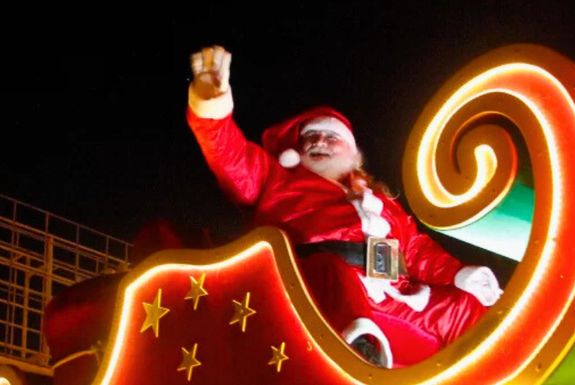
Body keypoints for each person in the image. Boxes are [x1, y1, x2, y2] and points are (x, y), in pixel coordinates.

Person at [186, 45, 501, 367]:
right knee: (332, 270)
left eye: (330, 137)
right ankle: (361, 358)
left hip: (393, 295)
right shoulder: (276, 180)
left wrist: (462, 274)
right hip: (316, 291)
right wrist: (211, 109)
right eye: (311, 137)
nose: (318, 141)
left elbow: (418, 251)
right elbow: (231, 157)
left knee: (464, 306)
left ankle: (500, 370)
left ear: (351, 152)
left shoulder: (382, 203)